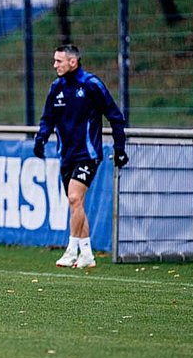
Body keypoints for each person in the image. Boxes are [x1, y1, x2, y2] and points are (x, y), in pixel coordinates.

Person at [33, 44, 129, 269]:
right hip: (66, 155)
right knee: (76, 204)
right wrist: (40, 139)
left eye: (59, 61)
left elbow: (115, 116)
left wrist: (120, 148)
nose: (54, 65)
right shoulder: (56, 88)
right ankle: (87, 254)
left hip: (88, 154)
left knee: (75, 198)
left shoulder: (91, 85)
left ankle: (70, 250)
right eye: (54, 60)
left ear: (72, 62)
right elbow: (47, 119)